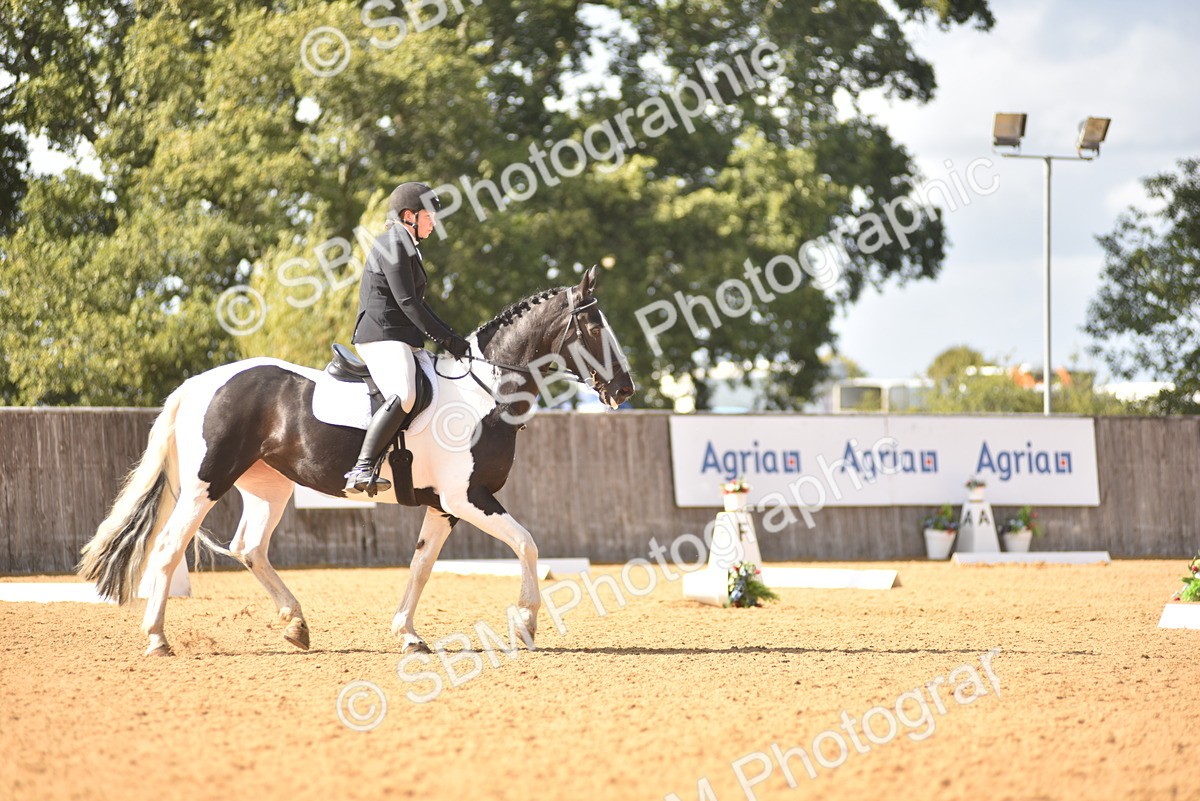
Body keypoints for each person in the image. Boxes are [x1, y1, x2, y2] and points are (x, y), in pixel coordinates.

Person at [344, 181, 471, 494]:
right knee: (406, 393)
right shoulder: (394, 243)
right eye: (430, 216)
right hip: (381, 335)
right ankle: (361, 467)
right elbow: (407, 303)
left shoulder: (406, 245)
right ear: (408, 215)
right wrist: (448, 341)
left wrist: (453, 337)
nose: (434, 222)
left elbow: (420, 305)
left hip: (400, 337)